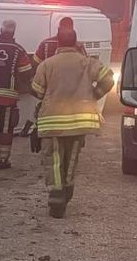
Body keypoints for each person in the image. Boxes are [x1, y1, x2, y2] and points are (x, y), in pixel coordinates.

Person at [31, 28, 114, 218]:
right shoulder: (87, 63)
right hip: (79, 120)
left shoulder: (47, 64)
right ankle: (67, 191)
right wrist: (95, 94)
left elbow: (37, 89)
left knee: (54, 158)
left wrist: (48, 95)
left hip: (52, 120)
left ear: (58, 43)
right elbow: (108, 79)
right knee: (72, 157)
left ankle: (56, 196)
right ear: (76, 43)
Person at [0, 20, 33, 169]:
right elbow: (26, 72)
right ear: (14, 32)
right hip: (8, 99)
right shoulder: (19, 50)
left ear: (0, 29)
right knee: (6, 130)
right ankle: (3, 161)